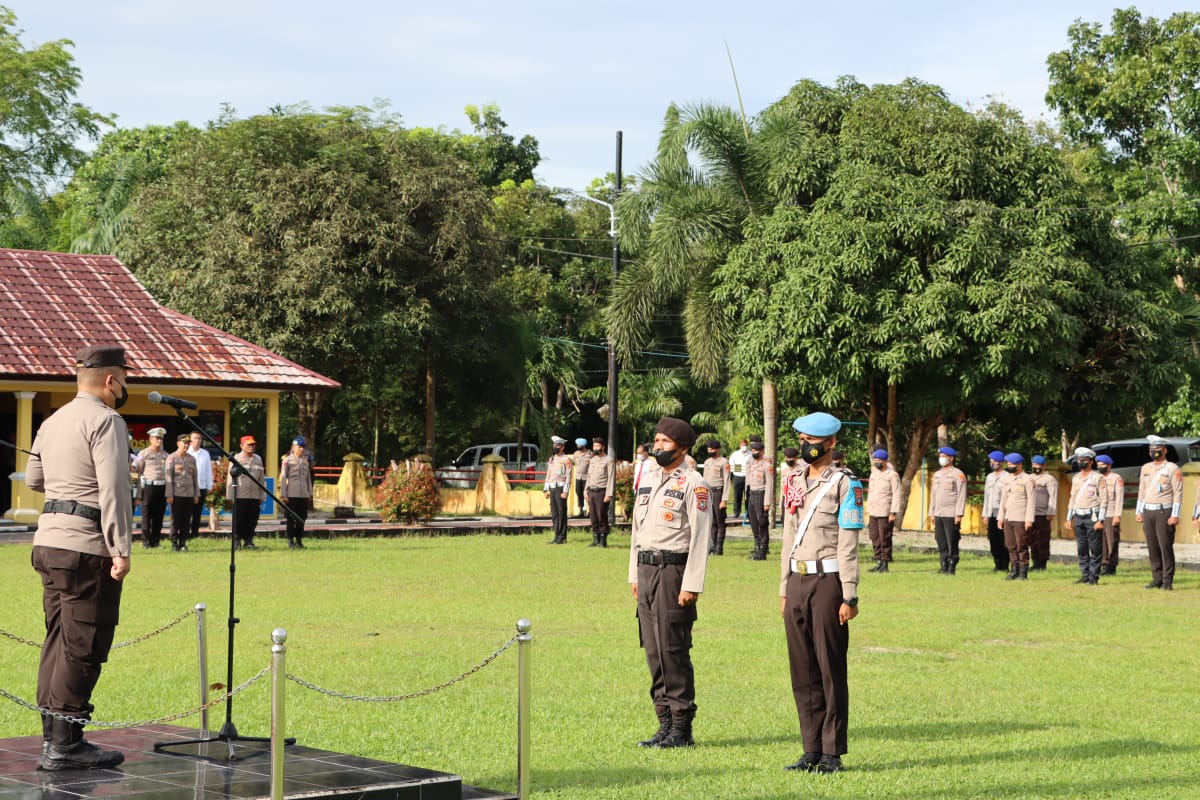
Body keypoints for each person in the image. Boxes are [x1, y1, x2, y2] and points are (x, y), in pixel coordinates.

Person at [25, 344, 132, 770]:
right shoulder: (107, 420)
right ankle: (66, 745)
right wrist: (121, 549)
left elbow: (35, 478)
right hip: (86, 547)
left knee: (57, 640)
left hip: (48, 542)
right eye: (124, 379)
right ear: (111, 380)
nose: (125, 387)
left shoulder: (52, 421)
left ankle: (56, 738)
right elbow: (114, 491)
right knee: (83, 643)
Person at [779, 412, 864, 775]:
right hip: (797, 581)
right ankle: (810, 747)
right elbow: (788, 537)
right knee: (803, 670)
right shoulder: (793, 479)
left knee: (830, 668)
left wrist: (850, 594)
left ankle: (832, 751)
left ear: (830, 444)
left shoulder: (846, 484)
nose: (805, 446)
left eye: (812, 440)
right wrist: (784, 587)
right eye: (801, 438)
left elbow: (848, 543)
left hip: (829, 583)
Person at [629, 417, 711, 749]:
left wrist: (691, 583)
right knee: (653, 649)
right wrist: (634, 574)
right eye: (657, 440)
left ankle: (681, 728)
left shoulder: (694, 483)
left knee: (672, 649)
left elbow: (701, 537)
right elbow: (638, 531)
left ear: (682, 448)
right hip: (646, 571)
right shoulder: (648, 478)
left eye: (665, 442)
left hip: (673, 573)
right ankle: (663, 724)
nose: (658, 446)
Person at [1137, 435, 1182, 590]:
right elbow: (1142, 491)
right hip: (1148, 510)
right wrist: (1139, 511)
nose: (1155, 452)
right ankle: (1156, 578)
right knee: (1152, 547)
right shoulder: (1146, 468)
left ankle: (1167, 580)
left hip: (1164, 511)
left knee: (1165, 546)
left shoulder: (1172, 468)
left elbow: (1178, 492)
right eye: (1152, 450)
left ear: (1165, 450)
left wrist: (1175, 514)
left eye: (1158, 449)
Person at [1065, 447, 1105, 585]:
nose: (1081, 462)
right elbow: (1072, 498)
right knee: (1082, 548)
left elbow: (1104, 500)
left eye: (1084, 460)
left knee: (1095, 547)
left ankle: (1094, 577)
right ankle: (1085, 575)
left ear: (1091, 461)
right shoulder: (1076, 478)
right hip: (1079, 516)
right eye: (1079, 460)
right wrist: (1069, 517)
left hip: (1092, 515)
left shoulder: (1098, 477)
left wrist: (1101, 520)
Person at [926, 447, 966, 574]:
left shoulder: (957, 474)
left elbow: (961, 495)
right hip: (938, 512)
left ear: (951, 458)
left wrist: (959, 514)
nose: (941, 458)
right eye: (940, 456)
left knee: (952, 540)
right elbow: (933, 495)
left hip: (951, 513)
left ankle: (952, 564)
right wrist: (931, 512)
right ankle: (943, 564)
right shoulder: (937, 474)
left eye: (944, 456)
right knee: (940, 539)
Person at [997, 453, 1035, 581]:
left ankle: (1023, 572)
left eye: (1012, 464)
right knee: (1010, 545)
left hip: (1021, 518)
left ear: (1019, 465)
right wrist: (1000, 517)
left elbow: (1031, 501)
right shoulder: (1007, 479)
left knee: (1021, 545)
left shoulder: (1027, 479)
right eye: (1008, 464)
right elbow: (1003, 500)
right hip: (1008, 517)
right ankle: (1014, 570)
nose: (1009, 466)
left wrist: (1029, 519)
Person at [866, 448, 901, 573]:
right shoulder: (874, 474)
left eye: (879, 460)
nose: (877, 462)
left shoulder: (892, 475)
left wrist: (893, 512)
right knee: (874, 537)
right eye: (875, 460)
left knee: (884, 537)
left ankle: (885, 563)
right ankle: (878, 561)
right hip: (873, 510)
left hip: (885, 511)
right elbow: (871, 492)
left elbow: (896, 494)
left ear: (886, 461)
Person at [135, 427, 168, 548]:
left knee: (159, 516)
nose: (159, 441)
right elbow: (137, 473)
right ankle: (145, 541)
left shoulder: (166, 455)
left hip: (162, 487)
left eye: (161, 438)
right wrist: (137, 493)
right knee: (147, 515)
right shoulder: (144, 454)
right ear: (150, 439)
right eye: (156, 438)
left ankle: (156, 541)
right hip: (148, 487)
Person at [165, 434, 198, 552]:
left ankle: (183, 543)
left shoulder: (191, 459)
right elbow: (168, 478)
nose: (186, 445)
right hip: (176, 493)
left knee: (186, 520)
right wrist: (169, 494)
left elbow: (195, 478)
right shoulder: (172, 458)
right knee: (176, 520)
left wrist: (196, 494)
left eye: (188, 443)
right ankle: (174, 543)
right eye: (184, 442)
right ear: (178, 443)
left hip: (189, 494)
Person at [231, 435, 265, 549]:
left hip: (254, 495)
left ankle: (249, 540)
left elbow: (261, 478)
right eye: (249, 444)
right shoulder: (236, 458)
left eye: (253, 444)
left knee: (252, 519)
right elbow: (230, 478)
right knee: (239, 520)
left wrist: (262, 495)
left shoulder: (258, 459)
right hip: (240, 494)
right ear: (242, 446)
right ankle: (237, 540)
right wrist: (230, 496)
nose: (252, 446)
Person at [280, 436, 313, 549]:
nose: (301, 449)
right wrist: (284, 494)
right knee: (290, 519)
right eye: (299, 447)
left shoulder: (305, 461)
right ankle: (290, 540)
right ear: (293, 447)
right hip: (291, 494)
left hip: (303, 494)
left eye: (303, 447)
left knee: (302, 518)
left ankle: (299, 540)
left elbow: (308, 478)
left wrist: (309, 492)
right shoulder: (287, 460)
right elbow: (283, 478)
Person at [701, 440, 732, 555]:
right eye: (708, 450)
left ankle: (719, 546)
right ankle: (712, 545)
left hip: (719, 492)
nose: (710, 452)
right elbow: (704, 479)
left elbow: (727, 481)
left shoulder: (724, 462)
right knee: (711, 521)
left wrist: (724, 499)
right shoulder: (707, 462)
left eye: (712, 450)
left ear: (718, 449)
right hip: (708, 492)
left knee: (720, 521)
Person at [980, 450, 1010, 571]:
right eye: (991, 461)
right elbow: (986, 497)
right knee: (992, 539)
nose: (992, 464)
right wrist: (985, 514)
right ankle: (997, 563)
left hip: (1003, 513)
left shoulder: (1007, 476)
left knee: (1003, 540)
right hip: (991, 513)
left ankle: (1005, 565)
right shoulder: (990, 477)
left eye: (995, 461)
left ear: (1001, 462)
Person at [1028, 455, 1057, 570]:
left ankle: (1042, 563)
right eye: (1034, 465)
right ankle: (1035, 562)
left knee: (1042, 539)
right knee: (1031, 539)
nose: (1036, 467)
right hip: (1030, 514)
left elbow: (1053, 496)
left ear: (1044, 466)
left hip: (1043, 514)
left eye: (1039, 465)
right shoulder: (1028, 478)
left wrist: (1051, 512)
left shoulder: (1049, 479)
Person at [585, 437, 615, 547]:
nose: (595, 448)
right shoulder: (593, 460)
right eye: (594, 446)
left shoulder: (608, 460)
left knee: (601, 515)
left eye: (597, 446)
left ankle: (603, 539)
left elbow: (611, 477)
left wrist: (609, 494)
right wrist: (585, 490)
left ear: (603, 447)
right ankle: (595, 538)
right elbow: (589, 476)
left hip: (602, 491)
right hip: (591, 491)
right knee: (593, 516)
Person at [745, 440, 772, 559]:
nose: (754, 452)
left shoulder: (766, 466)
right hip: (751, 494)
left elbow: (770, 485)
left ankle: (763, 551)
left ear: (762, 452)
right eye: (753, 450)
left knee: (762, 523)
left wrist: (767, 502)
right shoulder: (751, 464)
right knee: (754, 523)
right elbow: (747, 481)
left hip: (761, 495)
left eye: (756, 451)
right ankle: (756, 548)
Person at [543, 435, 572, 544]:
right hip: (552, 488)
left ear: (562, 447)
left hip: (561, 488)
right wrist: (545, 489)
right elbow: (548, 474)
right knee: (554, 514)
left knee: (561, 513)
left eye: (557, 446)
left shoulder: (566, 460)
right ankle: (556, 536)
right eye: (554, 445)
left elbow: (568, 476)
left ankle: (562, 537)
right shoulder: (552, 459)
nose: (555, 447)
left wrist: (565, 491)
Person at [1097, 455, 1123, 575]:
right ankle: (1103, 564)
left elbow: (1119, 498)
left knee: (1112, 541)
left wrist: (1117, 515)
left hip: (1111, 513)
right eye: (1099, 465)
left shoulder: (1116, 478)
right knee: (1101, 542)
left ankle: (1112, 567)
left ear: (1109, 465)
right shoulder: (1096, 478)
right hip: (1098, 515)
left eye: (1103, 465)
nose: (1100, 467)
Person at [187, 431, 213, 542]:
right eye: (195, 438)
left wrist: (209, 485)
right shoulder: (187, 453)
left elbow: (208, 470)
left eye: (199, 439)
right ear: (190, 440)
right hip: (188, 488)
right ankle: (185, 534)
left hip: (201, 487)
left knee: (197, 512)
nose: (197, 441)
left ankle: (195, 533)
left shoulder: (205, 453)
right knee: (187, 512)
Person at [729, 439, 750, 520]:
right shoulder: (735, 454)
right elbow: (732, 466)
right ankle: (736, 512)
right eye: (742, 445)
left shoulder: (751, 454)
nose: (744, 446)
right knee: (737, 495)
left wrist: (742, 468)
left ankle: (748, 513)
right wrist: (742, 468)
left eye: (745, 444)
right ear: (740, 445)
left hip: (748, 477)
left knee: (748, 495)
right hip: (737, 477)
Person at [571, 438, 591, 518]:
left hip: (587, 477)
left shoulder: (590, 454)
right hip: (578, 477)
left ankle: (590, 510)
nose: (577, 446)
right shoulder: (576, 454)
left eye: (578, 445)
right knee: (579, 493)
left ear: (583, 445)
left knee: (588, 494)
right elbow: (574, 463)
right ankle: (581, 510)